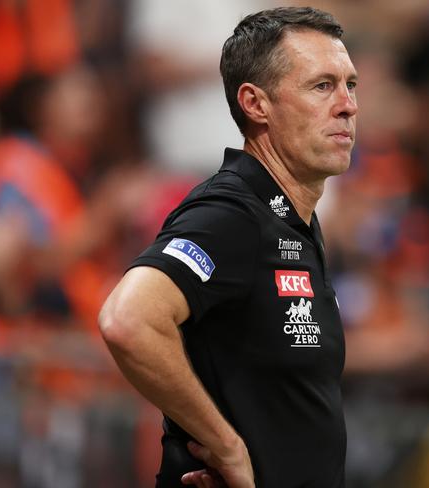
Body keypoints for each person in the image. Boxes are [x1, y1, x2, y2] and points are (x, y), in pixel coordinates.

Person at [98, 7, 358, 487]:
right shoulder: (233, 215)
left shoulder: (293, 222)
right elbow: (128, 320)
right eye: (322, 86)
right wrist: (225, 445)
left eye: (350, 85)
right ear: (256, 104)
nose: (347, 105)